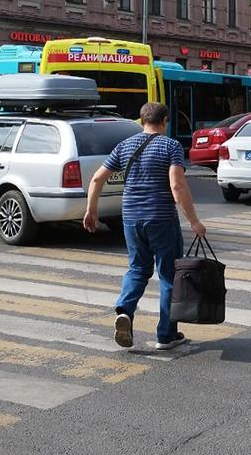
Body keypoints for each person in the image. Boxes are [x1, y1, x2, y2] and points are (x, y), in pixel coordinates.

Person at [83, 102, 208, 351]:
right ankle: (166, 335)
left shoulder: (124, 146)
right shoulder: (171, 146)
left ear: (142, 122)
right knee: (168, 276)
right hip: (161, 218)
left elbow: (97, 178)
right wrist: (194, 221)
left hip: (130, 218)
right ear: (165, 121)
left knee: (137, 270)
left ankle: (125, 312)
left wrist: (91, 210)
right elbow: (177, 186)